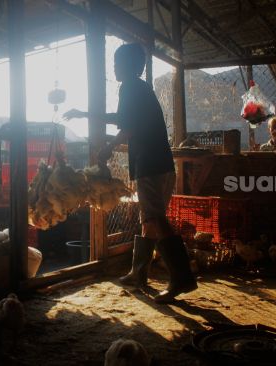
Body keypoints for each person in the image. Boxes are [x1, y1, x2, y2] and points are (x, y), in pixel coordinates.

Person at [64, 43, 196, 303]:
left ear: (128, 65)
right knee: (149, 218)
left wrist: (109, 148)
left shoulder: (130, 87)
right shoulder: (139, 88)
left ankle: (182, 278)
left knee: (156, 218)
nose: (114, 67)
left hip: (151, 164)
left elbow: (127, 127)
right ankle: (138, 272)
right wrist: (83, 113)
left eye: (116, 63)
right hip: (158, 163)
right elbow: (122, 119)